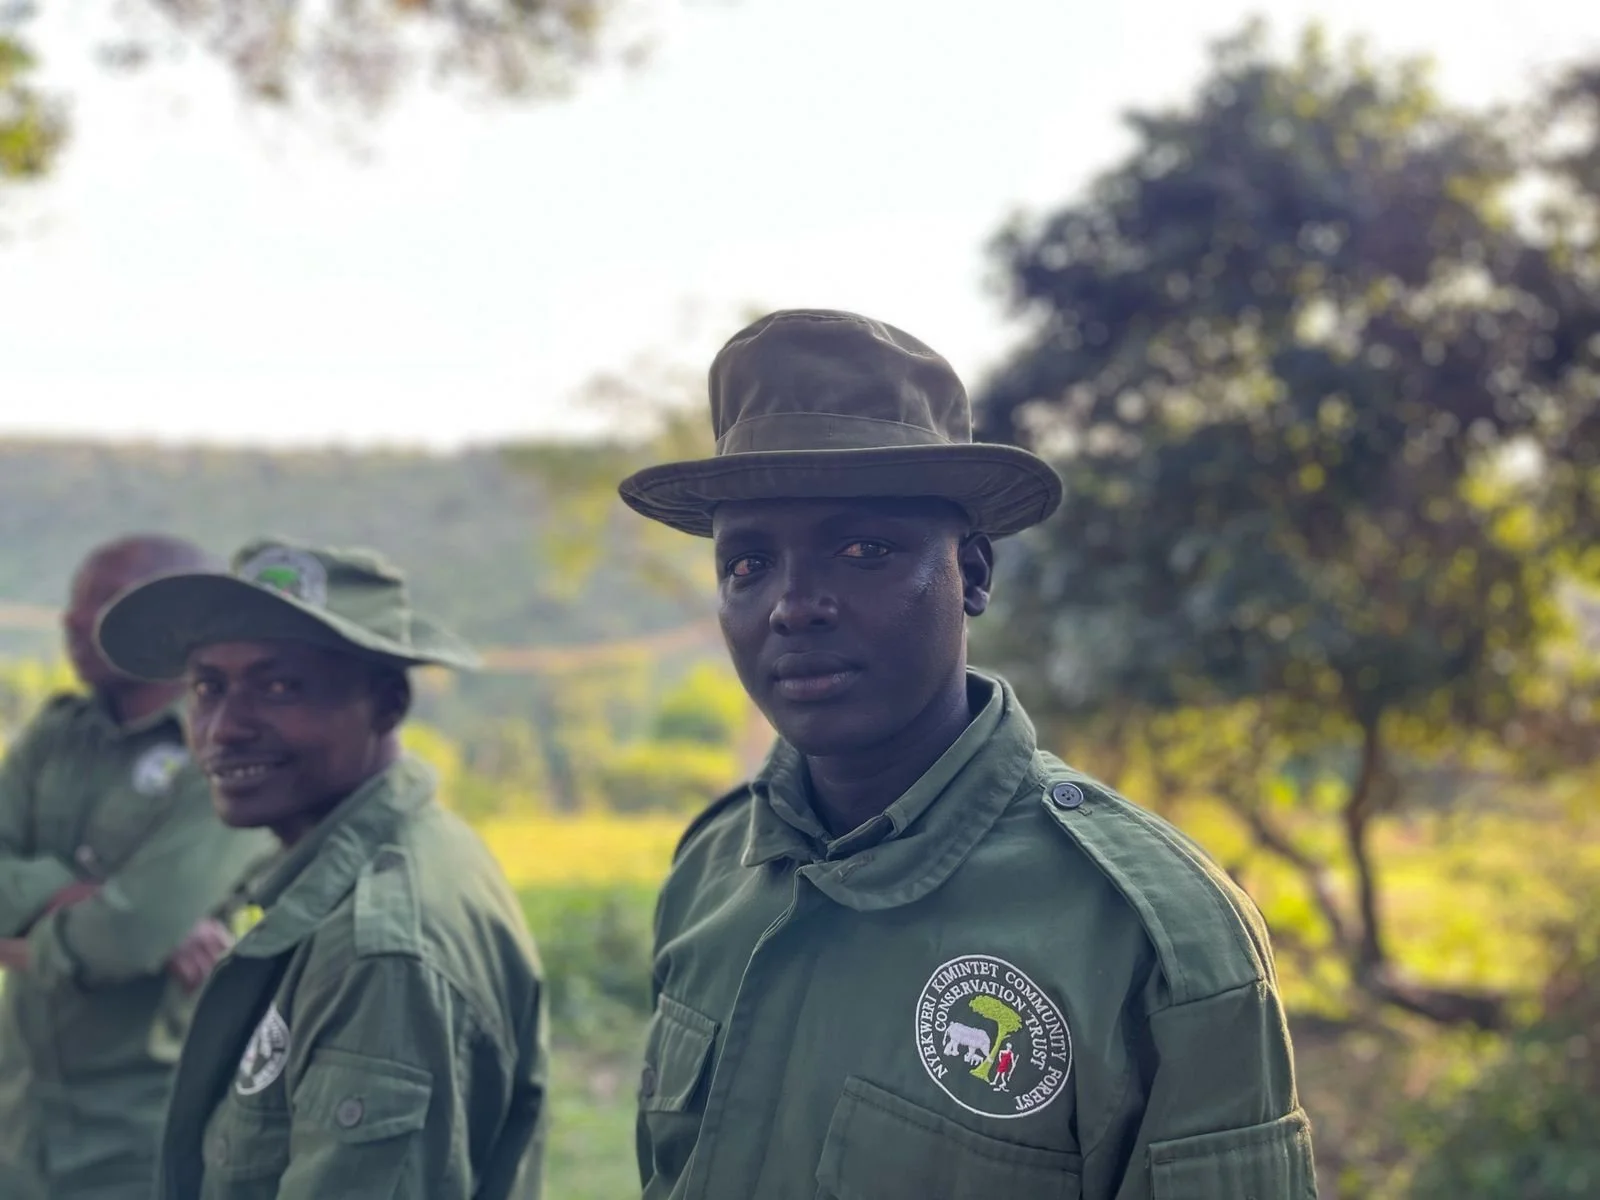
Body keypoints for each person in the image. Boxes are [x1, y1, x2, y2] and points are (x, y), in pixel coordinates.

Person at [618, 310, 1318, 1200]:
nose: (794, 606)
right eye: (748, 565)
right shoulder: (712, 867)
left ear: (974, 573)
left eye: (862, 549)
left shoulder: (1150, 934)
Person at [95, 535, 547, 1199]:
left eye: (279, 686)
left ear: (388, 703)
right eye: (207, 688)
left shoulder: (379, 950)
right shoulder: (381, 863)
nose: (223, 728)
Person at [0, 534, 277, 1200]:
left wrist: (22, 931)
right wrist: (90, 901)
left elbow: (133, 933)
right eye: (72, 602)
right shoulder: (59, 733)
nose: (69, 620)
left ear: (169, 625)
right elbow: (135, 928)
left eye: (100, 603)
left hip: (143, 1136)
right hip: (19, 1123)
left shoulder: (229, 755)